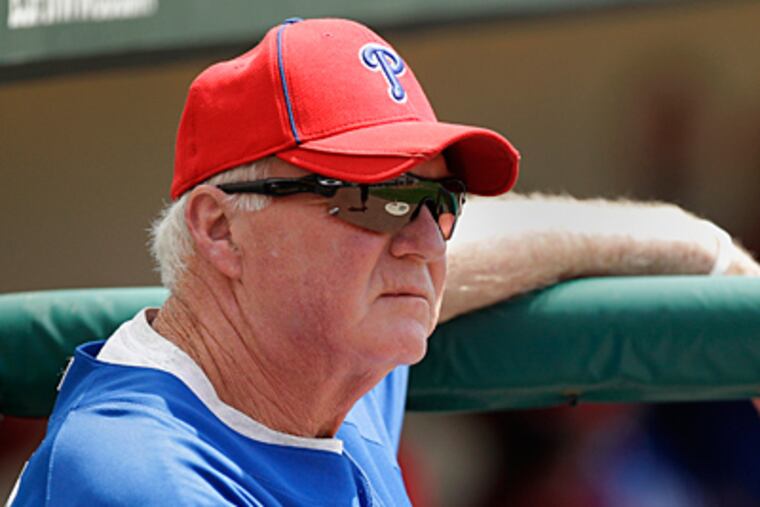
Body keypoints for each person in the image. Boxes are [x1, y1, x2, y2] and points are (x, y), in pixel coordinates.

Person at [8, 17, 759, 506]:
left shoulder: (317, 367)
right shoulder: (138, 472)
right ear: (220, 229)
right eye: (372, 197)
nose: (426, 240)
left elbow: (489, 243)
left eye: (440, 198)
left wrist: (703, 252)